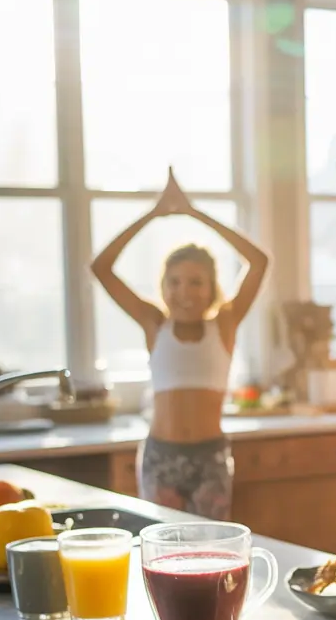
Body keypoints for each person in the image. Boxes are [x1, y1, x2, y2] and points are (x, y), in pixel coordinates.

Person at [91, 169, 269, 519]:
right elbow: (101, 267)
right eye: (174, 282)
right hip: (161, 456)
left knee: (212, 545)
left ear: (212, 287)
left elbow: (259, 262)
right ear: (163, 287)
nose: (184, 291)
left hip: (210, 457)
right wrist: (153, 214)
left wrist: (195, 213)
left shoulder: (225, 324)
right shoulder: (155, 324)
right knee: (160, 543)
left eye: (195, 282)